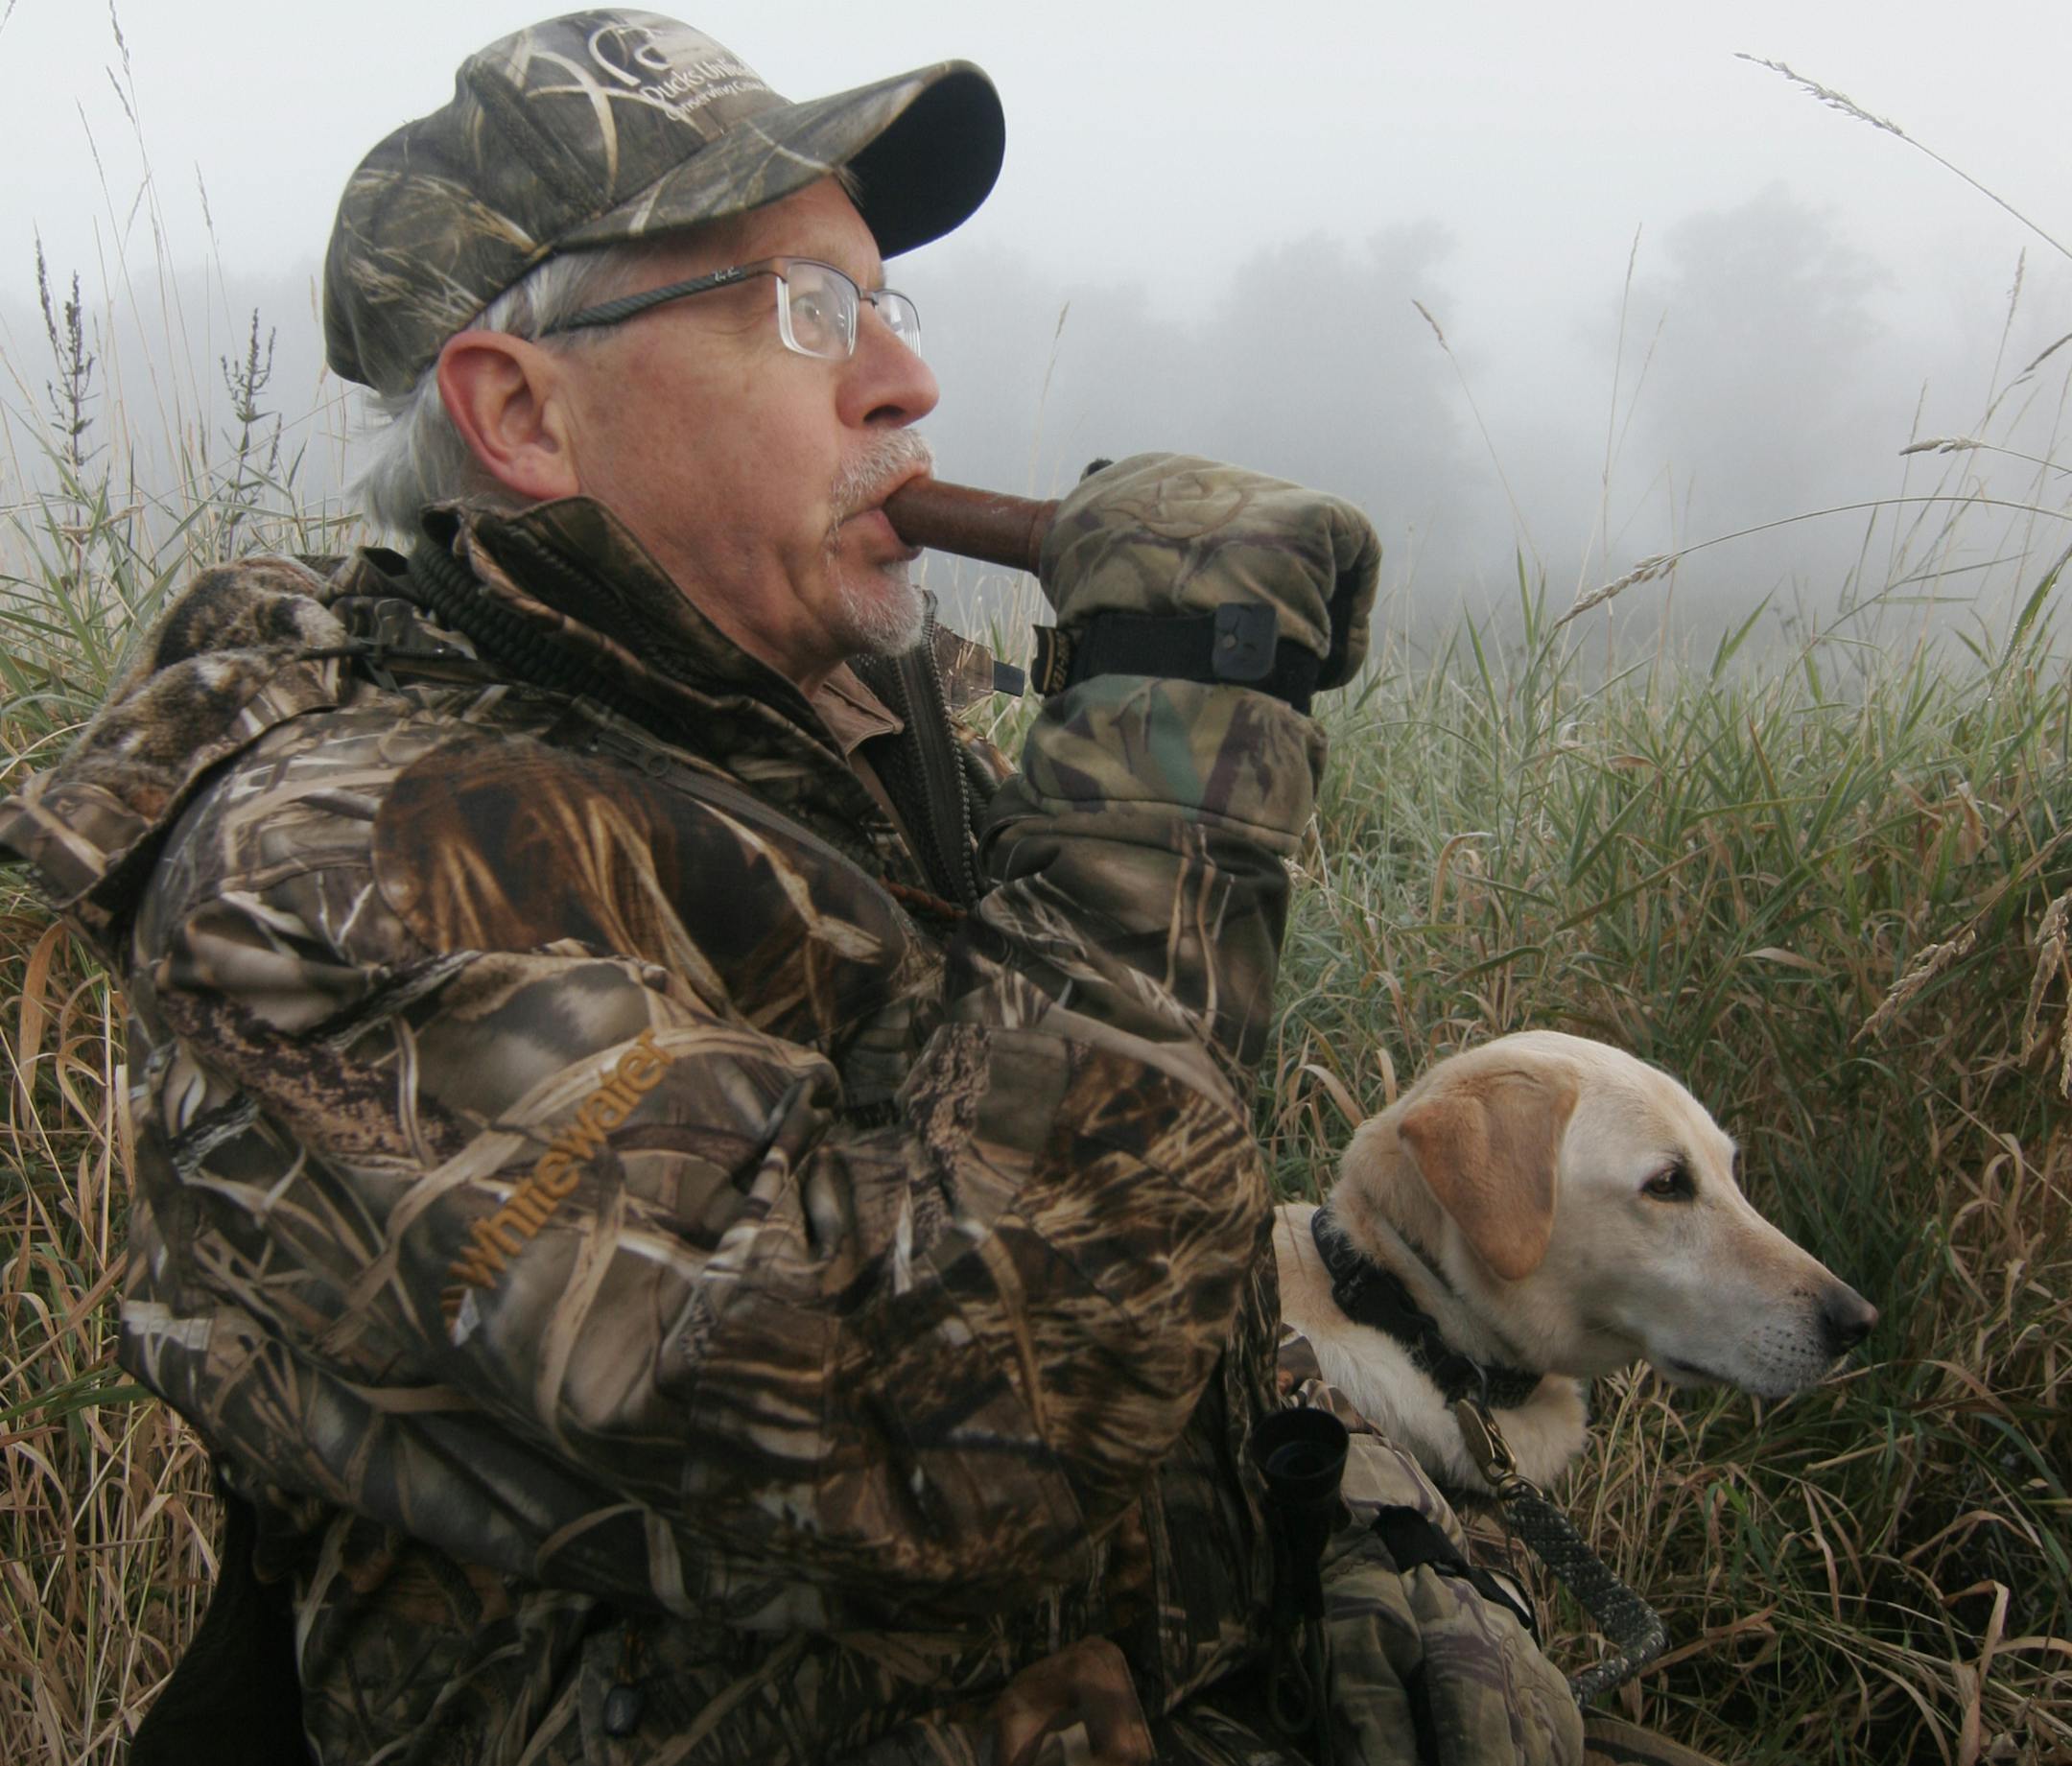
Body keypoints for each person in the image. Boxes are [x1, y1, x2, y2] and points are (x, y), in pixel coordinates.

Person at [0, 12, 1705, 1763]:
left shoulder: (849, 738)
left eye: (887, 303)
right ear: (522, 410)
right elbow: (946, 1429)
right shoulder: (338, 875)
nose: (903, 383)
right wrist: (1170, 757)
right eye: (800, 309)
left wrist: (1353, 1521)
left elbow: (1148, 1236)